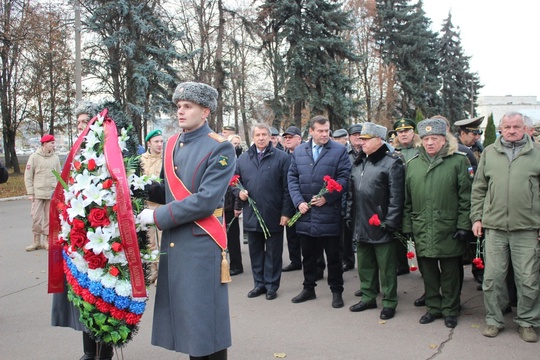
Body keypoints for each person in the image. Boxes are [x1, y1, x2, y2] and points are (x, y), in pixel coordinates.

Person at [138, 82, 235, 359]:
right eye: (178, 106)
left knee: (204, 321)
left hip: (201, 243)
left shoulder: (220, 147)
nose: (180, 111)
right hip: (175, 242)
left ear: (205, 111)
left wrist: (157, 216)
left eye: (188, 106)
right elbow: (169, 190)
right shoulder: (171, 145)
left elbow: (205, 200)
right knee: (185, 318)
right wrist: (139, 189)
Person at [471, 111, 540, 343]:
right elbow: (479, 188)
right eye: (507, 127)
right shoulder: (490, 153)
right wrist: (477, 218)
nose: (511, 131)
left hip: (527, 229)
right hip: (495, 227)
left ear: (524, 128)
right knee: (492, 278)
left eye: (516, 127)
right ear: (500, 128)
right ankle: (493, 320)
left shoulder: (537, 153)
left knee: (528, 279)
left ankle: (527, 322)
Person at [402, 118, 472, 329]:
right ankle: (433, 308)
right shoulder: (413, 164)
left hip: (448, 228)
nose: (430, 142)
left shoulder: (459, 161)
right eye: (426, 138)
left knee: (451, 273)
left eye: (435, 138)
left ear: (444, 139)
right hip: (422, 227)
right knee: (429, 271)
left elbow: (466, 197)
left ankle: (451, 309)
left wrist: (463, 226)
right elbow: (407, 200)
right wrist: (407, 228)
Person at [288, 115, 351, 308]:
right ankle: (309, 288)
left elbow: (344, 178)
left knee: (333, 256)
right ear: (312, 132)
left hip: (329, 213)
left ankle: (336, 291)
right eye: (321, 131)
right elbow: (292, 177)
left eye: (327, 131)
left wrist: (327, 197)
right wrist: (298, 202)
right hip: (306, 213)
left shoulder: (339, 150)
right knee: (308, 255)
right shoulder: (299, 151)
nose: (325, 134)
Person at [347, 123, 404, 320]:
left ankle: (389, 302)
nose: (361, 142)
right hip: (361, 222)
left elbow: (396, 197)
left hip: (381, 224)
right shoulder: (358, 162)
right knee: (365, 264)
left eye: (365, 139)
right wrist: (349, 216)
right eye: (360, 139)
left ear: (378, 140)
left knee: (387, 267)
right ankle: (368, 296)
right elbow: (351, 194)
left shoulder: (391, 163)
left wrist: (390, 222)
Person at [236, 123, 294, 300]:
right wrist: (239, 193)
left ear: (270, 137)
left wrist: (286, 213)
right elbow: (234, 181)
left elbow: (287, 188)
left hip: (274, 214)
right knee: (255, 252)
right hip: (252, 214)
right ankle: (258, 284)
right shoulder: (243, 159)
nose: (261, 138)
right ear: (252, 138)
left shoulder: (282, 158)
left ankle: (271, 285)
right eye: (257, 135)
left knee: (273, 253)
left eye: (264, 134)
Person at [391, 118, 420, 277]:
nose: (403, 134)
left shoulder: (420, 149)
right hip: (399, 196)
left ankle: (423, 266)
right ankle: (401, 264)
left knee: (416, 233)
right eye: (400, 132)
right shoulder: (393, 150)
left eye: (406, 131)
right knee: (398, 231)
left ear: (413, 132)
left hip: (416, 197)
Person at [24, 134, 61, 251]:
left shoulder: (55, 158)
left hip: (51, 192)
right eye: (52, 143)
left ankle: (46, 241)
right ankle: (36, 241)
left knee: (49, 218)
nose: (53, 145)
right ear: (45, 144)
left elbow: (59, 175)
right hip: (37, 193)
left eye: (54, 143)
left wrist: (59, 191)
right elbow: (28, 176)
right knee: (36, 217)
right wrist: (30, 193)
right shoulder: (34, 157)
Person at [140, 129, 164, 284]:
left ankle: (162, 271)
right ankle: (152, 270)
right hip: (147, 206)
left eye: (162, 141)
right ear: (149, 143)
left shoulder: (167, 159)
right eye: (156, 141)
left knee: (162, 239)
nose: (160, 144)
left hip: (162, 205)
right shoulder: (141, 160)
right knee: (150, 241)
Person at [281, 126, 304, 272]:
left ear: (299, 139)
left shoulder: (305, 154)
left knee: (307, 235)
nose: (288, 140)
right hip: (288, 199)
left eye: (291, 137)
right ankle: (295, 261)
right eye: (286, 138)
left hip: (303, 199)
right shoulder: (283, 156)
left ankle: (315, 264)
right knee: (291, 232)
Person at [343, 124, 363, 276]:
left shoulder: (369, 151)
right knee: (347, 229)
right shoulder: (344, 153)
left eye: (360, 134)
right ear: (349, 137)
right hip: (347, 195)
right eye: (354, 134)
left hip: (364, 195)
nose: (357, 137)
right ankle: (348, 260)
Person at [226, 134, 244, 276]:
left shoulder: (234, 163)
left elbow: (236, 185)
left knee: (232, 237)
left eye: (237, 144)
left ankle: (236, 265)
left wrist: (237, 206)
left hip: (230, 205)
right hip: (218, 206)